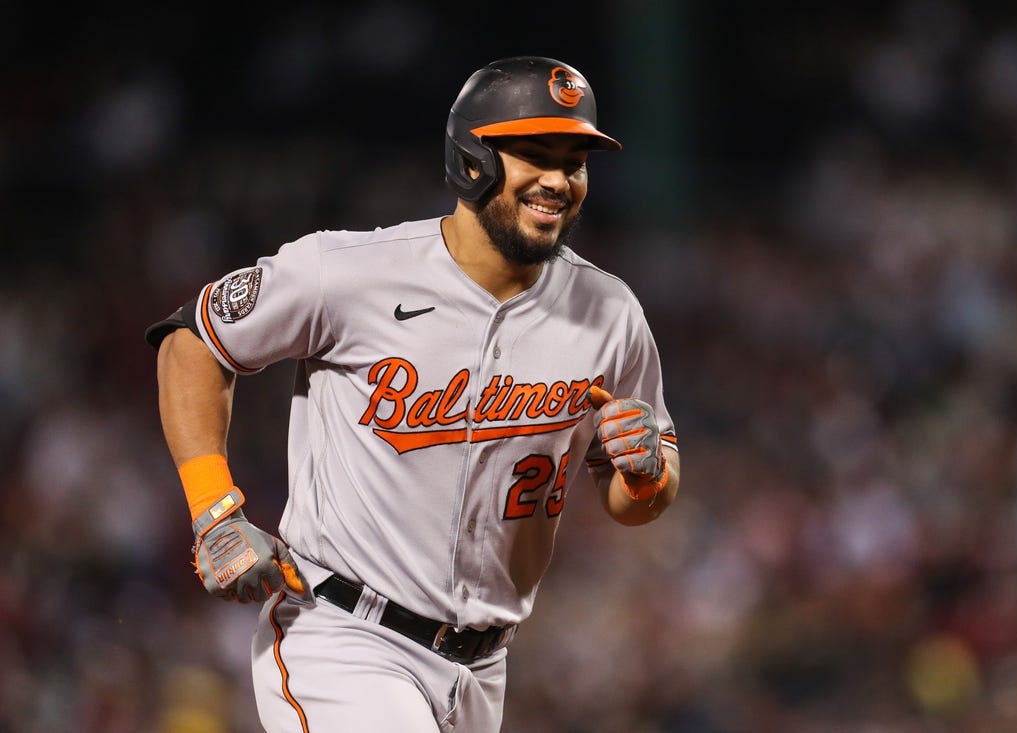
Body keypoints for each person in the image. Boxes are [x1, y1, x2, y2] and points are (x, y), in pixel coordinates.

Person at [147, 55, 680, 732]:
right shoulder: (349, 273)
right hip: (341, 635)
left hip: (482, 669)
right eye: (536, 154)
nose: (558, 180)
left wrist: (646, 474)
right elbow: (191, 340)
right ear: (471, 159)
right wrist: (213, 510)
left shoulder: (609, 311)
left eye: (574, 160)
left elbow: (641, 493)